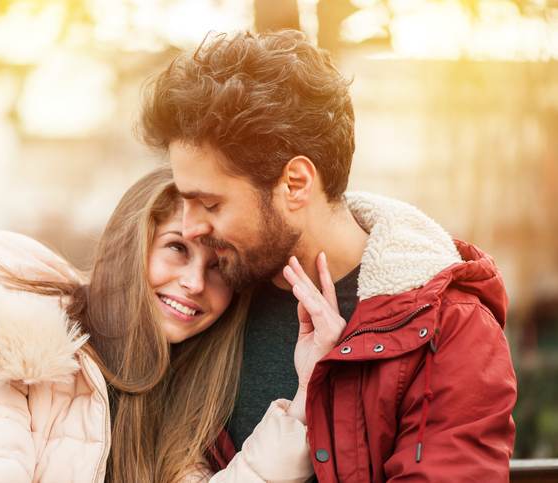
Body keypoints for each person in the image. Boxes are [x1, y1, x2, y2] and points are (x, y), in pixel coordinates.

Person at [140, 30, 518, 481]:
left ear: (295, 183)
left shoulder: (449, 328)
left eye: (211, 203)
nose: (191, 227)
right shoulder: (209, 299)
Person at [0, 167, 331, 483]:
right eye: (176, 248)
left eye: (218, 267)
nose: (193, 282)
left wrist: (309, 394)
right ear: (134, 245)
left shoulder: (179, 397)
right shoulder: (3, 349)